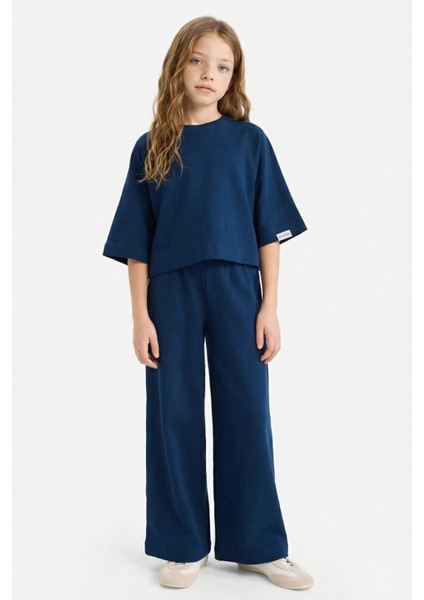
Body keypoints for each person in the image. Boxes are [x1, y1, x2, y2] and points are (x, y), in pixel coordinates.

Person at [102, 15, 314, 591]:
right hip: (170, 291)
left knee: (247, 409)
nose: (209, 74)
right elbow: (136, 244)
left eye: (223, 66)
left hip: (238, 288)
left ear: (233, 77)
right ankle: (182, 544)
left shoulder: (250, 141)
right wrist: (140, 317)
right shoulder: (152, 146)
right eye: (198, 60)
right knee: (172, 412)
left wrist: (269, 308)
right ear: (179, 65)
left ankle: (258, 545)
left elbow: (268, 232)